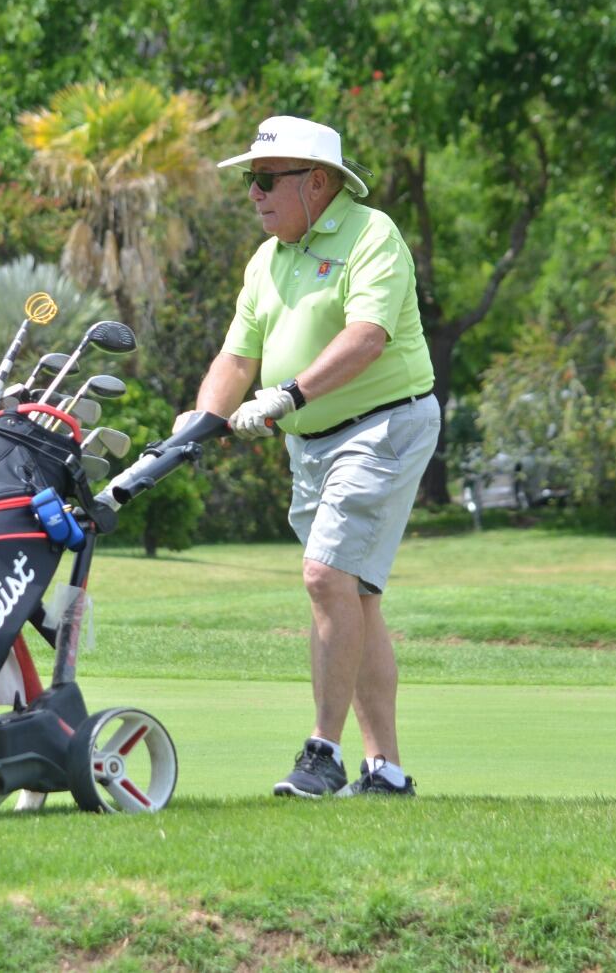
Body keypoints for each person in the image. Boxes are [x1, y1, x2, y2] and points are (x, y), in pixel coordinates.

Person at [178, 115, 439, 797]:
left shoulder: (371, 234)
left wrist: (287, 395)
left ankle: (322, 754)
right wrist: (200, 420)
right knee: (354, 592)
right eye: (249, 182)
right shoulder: (267, 260)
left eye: (266, 179)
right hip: (313, 441)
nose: (255, 193)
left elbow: (367, 337)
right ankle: (385, 770)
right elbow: (237, 357)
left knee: (325, 576)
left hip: (384, 425)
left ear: (316, 182)